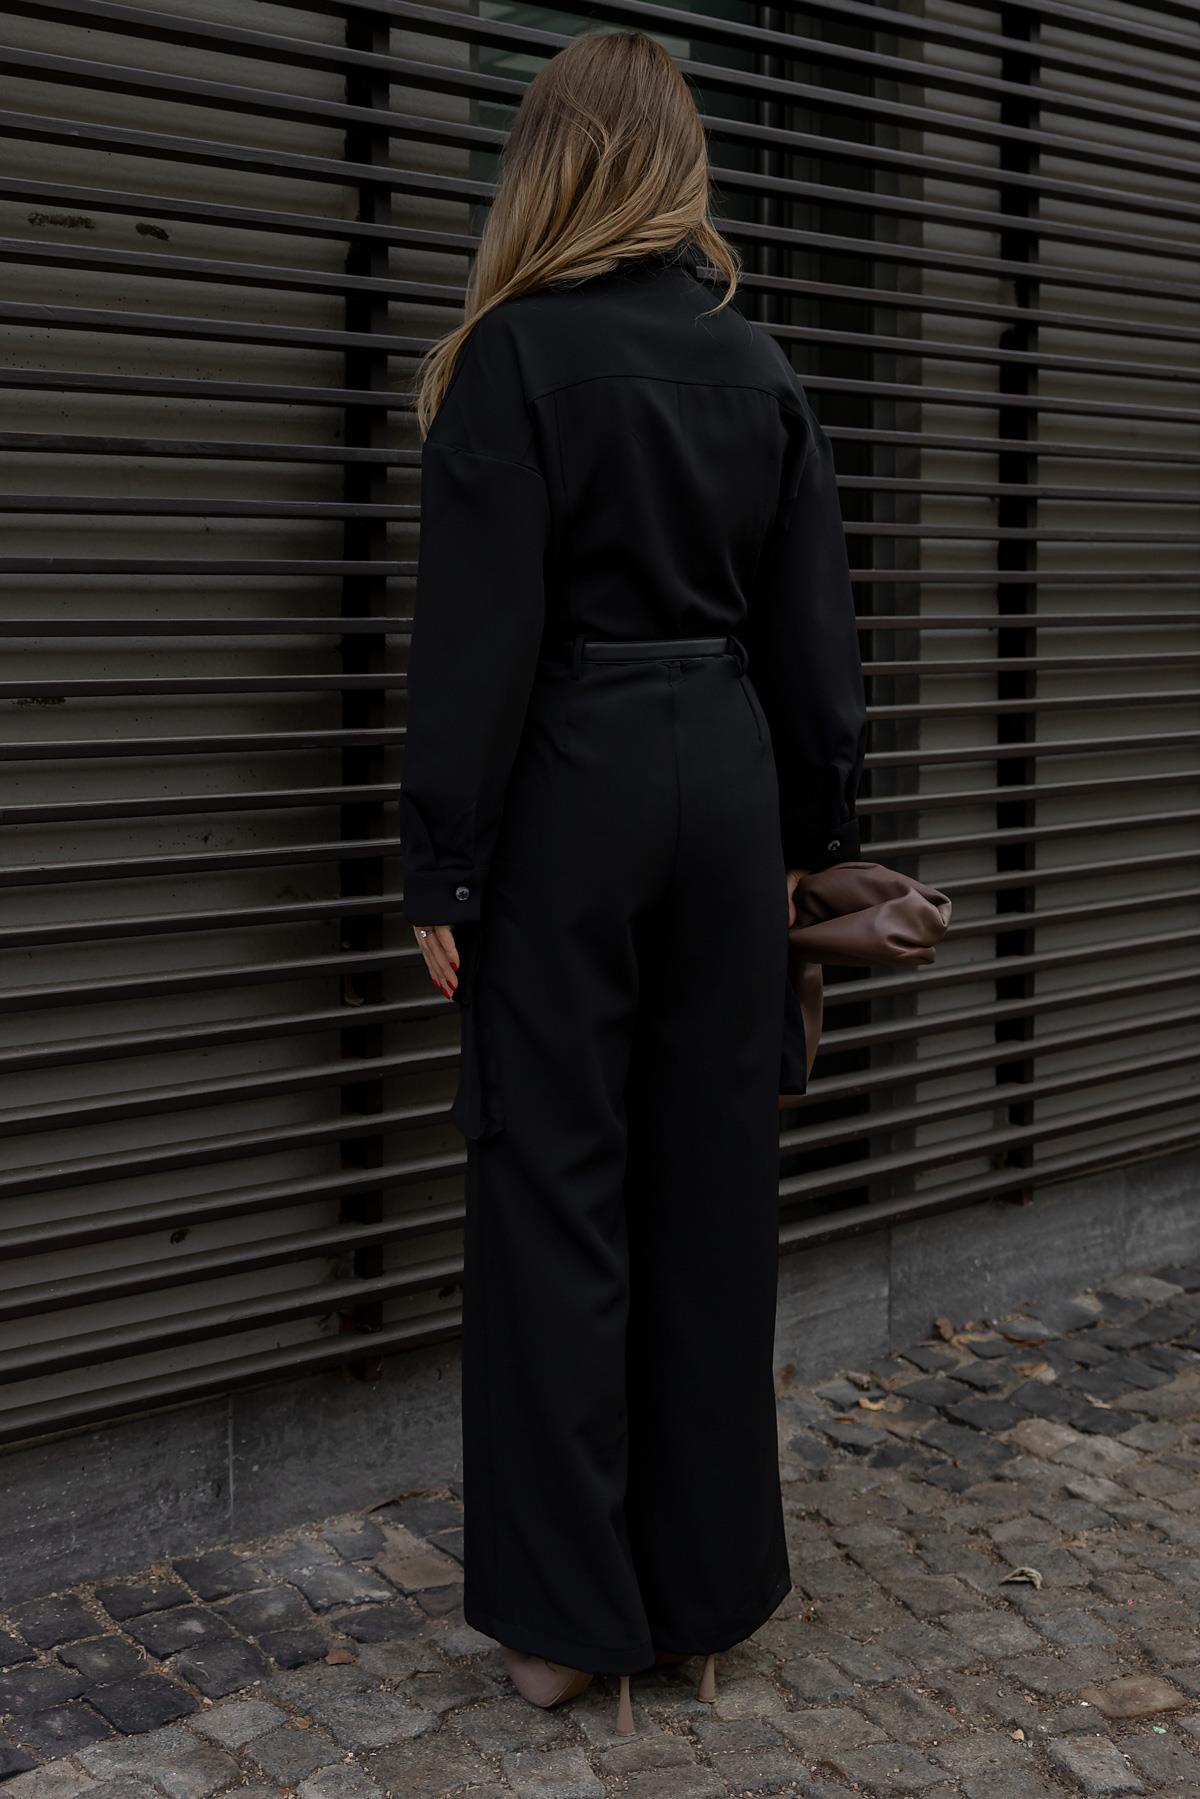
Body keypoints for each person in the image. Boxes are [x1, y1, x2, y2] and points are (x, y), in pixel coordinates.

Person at [400, 28, 867, 1736]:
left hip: (570, 790)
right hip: (726, 784)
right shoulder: (760, 369)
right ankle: (703, 1607)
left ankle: (560, 1627)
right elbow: (817, 641)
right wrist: (814, 834)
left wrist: (442, 864)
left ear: (548, 164)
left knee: (553, 1192)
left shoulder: (511, 360)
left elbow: (477, 643)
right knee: (711, 1195)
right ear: (677, 164)